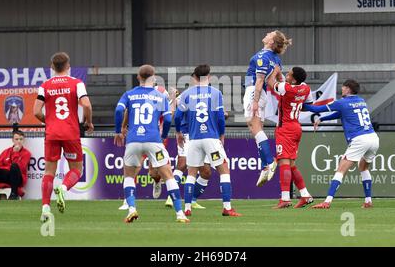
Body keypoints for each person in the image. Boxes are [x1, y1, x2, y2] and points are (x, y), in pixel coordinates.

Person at [114, 64, 189, 223]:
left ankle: (132, 208)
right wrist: (163, 134)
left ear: (137, 77)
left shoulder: (129, 94)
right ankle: (180, 214)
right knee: (168, 176)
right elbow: (168, 118)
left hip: (133, 140)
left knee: (129, 175)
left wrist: (118, 131)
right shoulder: (160, 96)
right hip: (154, 139)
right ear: (154, 78)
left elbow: (119, 111)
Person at [33, 52, 94, 222]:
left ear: (52, 67)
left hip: (52, 133)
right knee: (76, 169)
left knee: (49, 172)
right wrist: (88, 122)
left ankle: (45, 208)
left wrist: (50, 121)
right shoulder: (77, 83)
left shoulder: (45, 85)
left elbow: (36, 111)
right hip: (71, 132)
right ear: (68, 66)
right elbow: (87, 105)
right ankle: (64, 189)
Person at [175, 64, 241, 217]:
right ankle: (227, 207)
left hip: (193, 139)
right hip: (211, 138)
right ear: (209, 76)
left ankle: (187, 208)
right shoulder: (215, 93)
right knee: (224, 170)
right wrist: (222, 134)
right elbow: (220, 117)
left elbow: (178, 116)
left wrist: (178, 132)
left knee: (191, 173)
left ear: (195, 77)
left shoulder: (186, 94)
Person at [302, 79, 379, 209]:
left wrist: (300, 103)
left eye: (343, 87)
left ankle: (327, 201)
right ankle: (368, 201)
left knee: (341, 170)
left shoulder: (341, 102)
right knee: (363, 167)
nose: (341, 89)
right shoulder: (361, 101)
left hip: (359, 139)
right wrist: (322, 118)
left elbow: (315, 108)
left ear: (348, 89)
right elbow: (341, 113)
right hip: (373, 138)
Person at [244, 30, 292, 187]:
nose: (267, 33)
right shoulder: (275, 59)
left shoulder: (262, 57)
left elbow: (259, 81)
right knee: (256, 128)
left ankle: (270, 161)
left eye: (270, 34)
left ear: (271, 42)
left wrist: (255, 100)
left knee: (254, 126)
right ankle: (266, 166)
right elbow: (279, 79)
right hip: (261, 93)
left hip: (254, 91)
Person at [268, 67, 314, 209]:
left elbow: (270, 82)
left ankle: (285, 198)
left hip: (285, 128)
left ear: (293, 79)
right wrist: (296, 103)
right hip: (296, 127)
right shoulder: (305, 88)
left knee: (283, 162)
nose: (286, 74)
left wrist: (275, 70)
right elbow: (308, 105)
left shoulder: (286, 88)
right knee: (291, 164)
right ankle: (305, 195)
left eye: (289, 74)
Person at [0, 130, 31, 200]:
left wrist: (16, 153)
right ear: (13, 140)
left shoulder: (26, 153)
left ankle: (13, 194)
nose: (19, 141)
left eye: (21, 139)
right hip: (5, 175)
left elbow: (21, 168)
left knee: (14, 166)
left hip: (17, 177)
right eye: (16, 139)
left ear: (23, 140)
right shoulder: (6, 152)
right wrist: (5, 169)